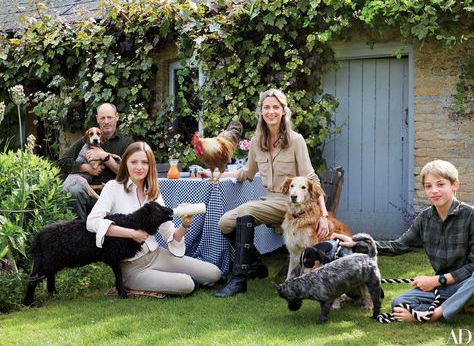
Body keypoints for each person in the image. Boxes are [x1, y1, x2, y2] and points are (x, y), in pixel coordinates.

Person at [203, 88, 330, 297]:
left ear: (283, 111)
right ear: (261, 112)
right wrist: (214, 175)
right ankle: (255, 264)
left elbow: (312, 178)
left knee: (246, 210)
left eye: (275, 107)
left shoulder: (295, 140)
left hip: (292, 204)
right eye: (267, 107)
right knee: (225, 223)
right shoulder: (256, 141)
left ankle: (239, 279)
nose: (271, 111)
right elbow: (247, 173)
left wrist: (323, 215)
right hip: (270, 201)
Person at [333, 159, 474, 322]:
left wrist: (436, 280)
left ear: (454, 185)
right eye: (428, 186)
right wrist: (357, 243)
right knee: (399, 303)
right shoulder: (425, 218)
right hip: (446, 288)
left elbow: (472, 267)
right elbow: (398, 246)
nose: (434, 191)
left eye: (440, 184)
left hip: (467, 283)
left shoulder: (470, 216)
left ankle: (434, 314)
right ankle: (459, 306)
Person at [87, 141, 221, 294]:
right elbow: (93, 222)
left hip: (157, 255)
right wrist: (132, 234)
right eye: (134, 162)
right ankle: (139, 282)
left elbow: (169, 234)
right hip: (133, 267)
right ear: (125, 164)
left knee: (214, 274)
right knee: (186, 284)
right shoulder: (113, 187)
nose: (139, 167)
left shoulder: (153, 192)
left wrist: (184, 225)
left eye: (144, 162)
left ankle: (170, 278)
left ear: (150, 165)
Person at [57, 103, 133, 219]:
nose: (106, 121)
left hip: (114, 195)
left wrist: (105, 157)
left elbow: (127, 173)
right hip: (87, 194)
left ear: (117, 117)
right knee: (74, 191)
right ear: (97, 119)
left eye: (110, 117)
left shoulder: (126, 143)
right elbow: (63, 161)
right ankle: (78, 231)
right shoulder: (87, 139)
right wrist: (86, 168)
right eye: (103, 118)